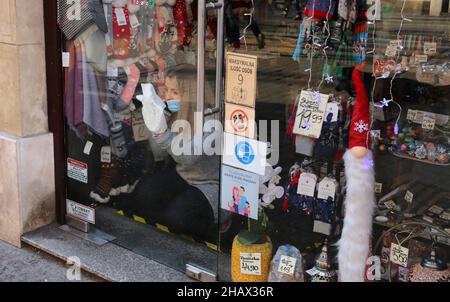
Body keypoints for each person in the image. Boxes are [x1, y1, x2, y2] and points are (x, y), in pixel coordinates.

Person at [131, 64, 221, 239]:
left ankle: (218, 222)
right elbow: (160, 153)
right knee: (144, 193)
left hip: (210, 184)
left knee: (178, 217)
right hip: (184, 176)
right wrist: (158, 119)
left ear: (191, 94)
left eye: (175, 92)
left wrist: (163, 134)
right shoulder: (176, 112)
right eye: (167, 90)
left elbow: (189, 157)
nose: (167, 96)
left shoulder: (211, 118)